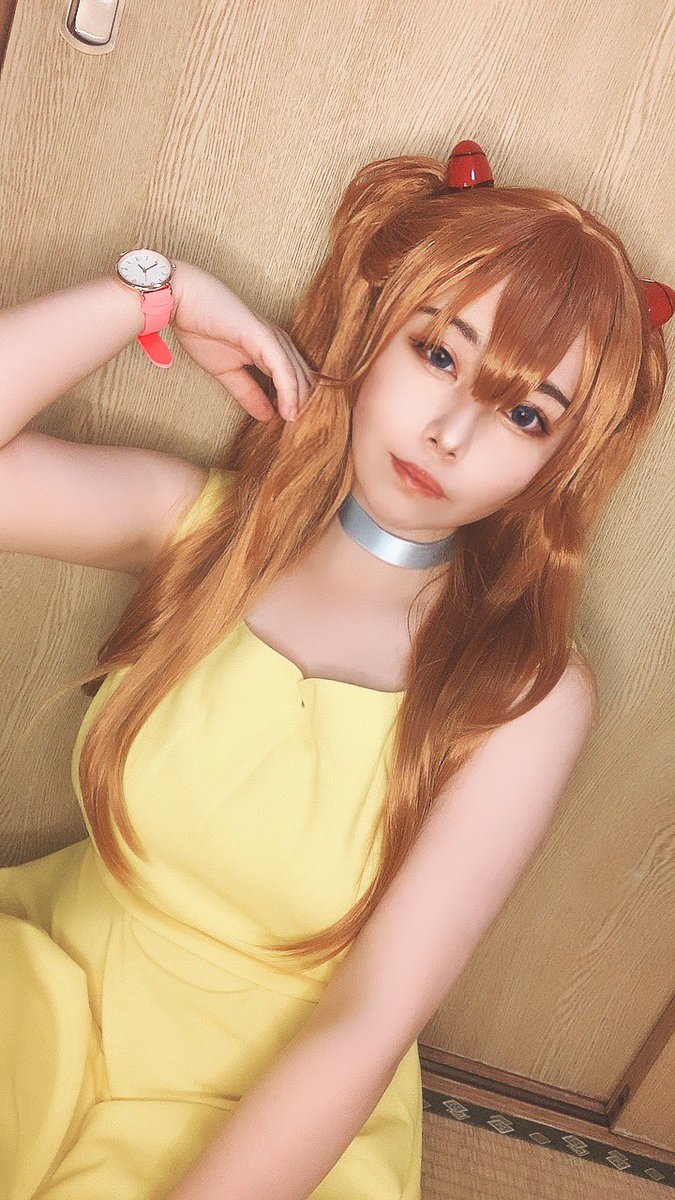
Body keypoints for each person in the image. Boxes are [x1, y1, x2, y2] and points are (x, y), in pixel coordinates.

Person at [0, 140, 671, 1200]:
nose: (451, 433)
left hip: (278, 1109)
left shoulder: (523, 701)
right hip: (46, 988)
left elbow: (369, 1020)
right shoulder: (201, 533)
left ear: (558, 464)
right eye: (438, 353)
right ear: (374, 328)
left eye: (525, 413)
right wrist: (152, 297)